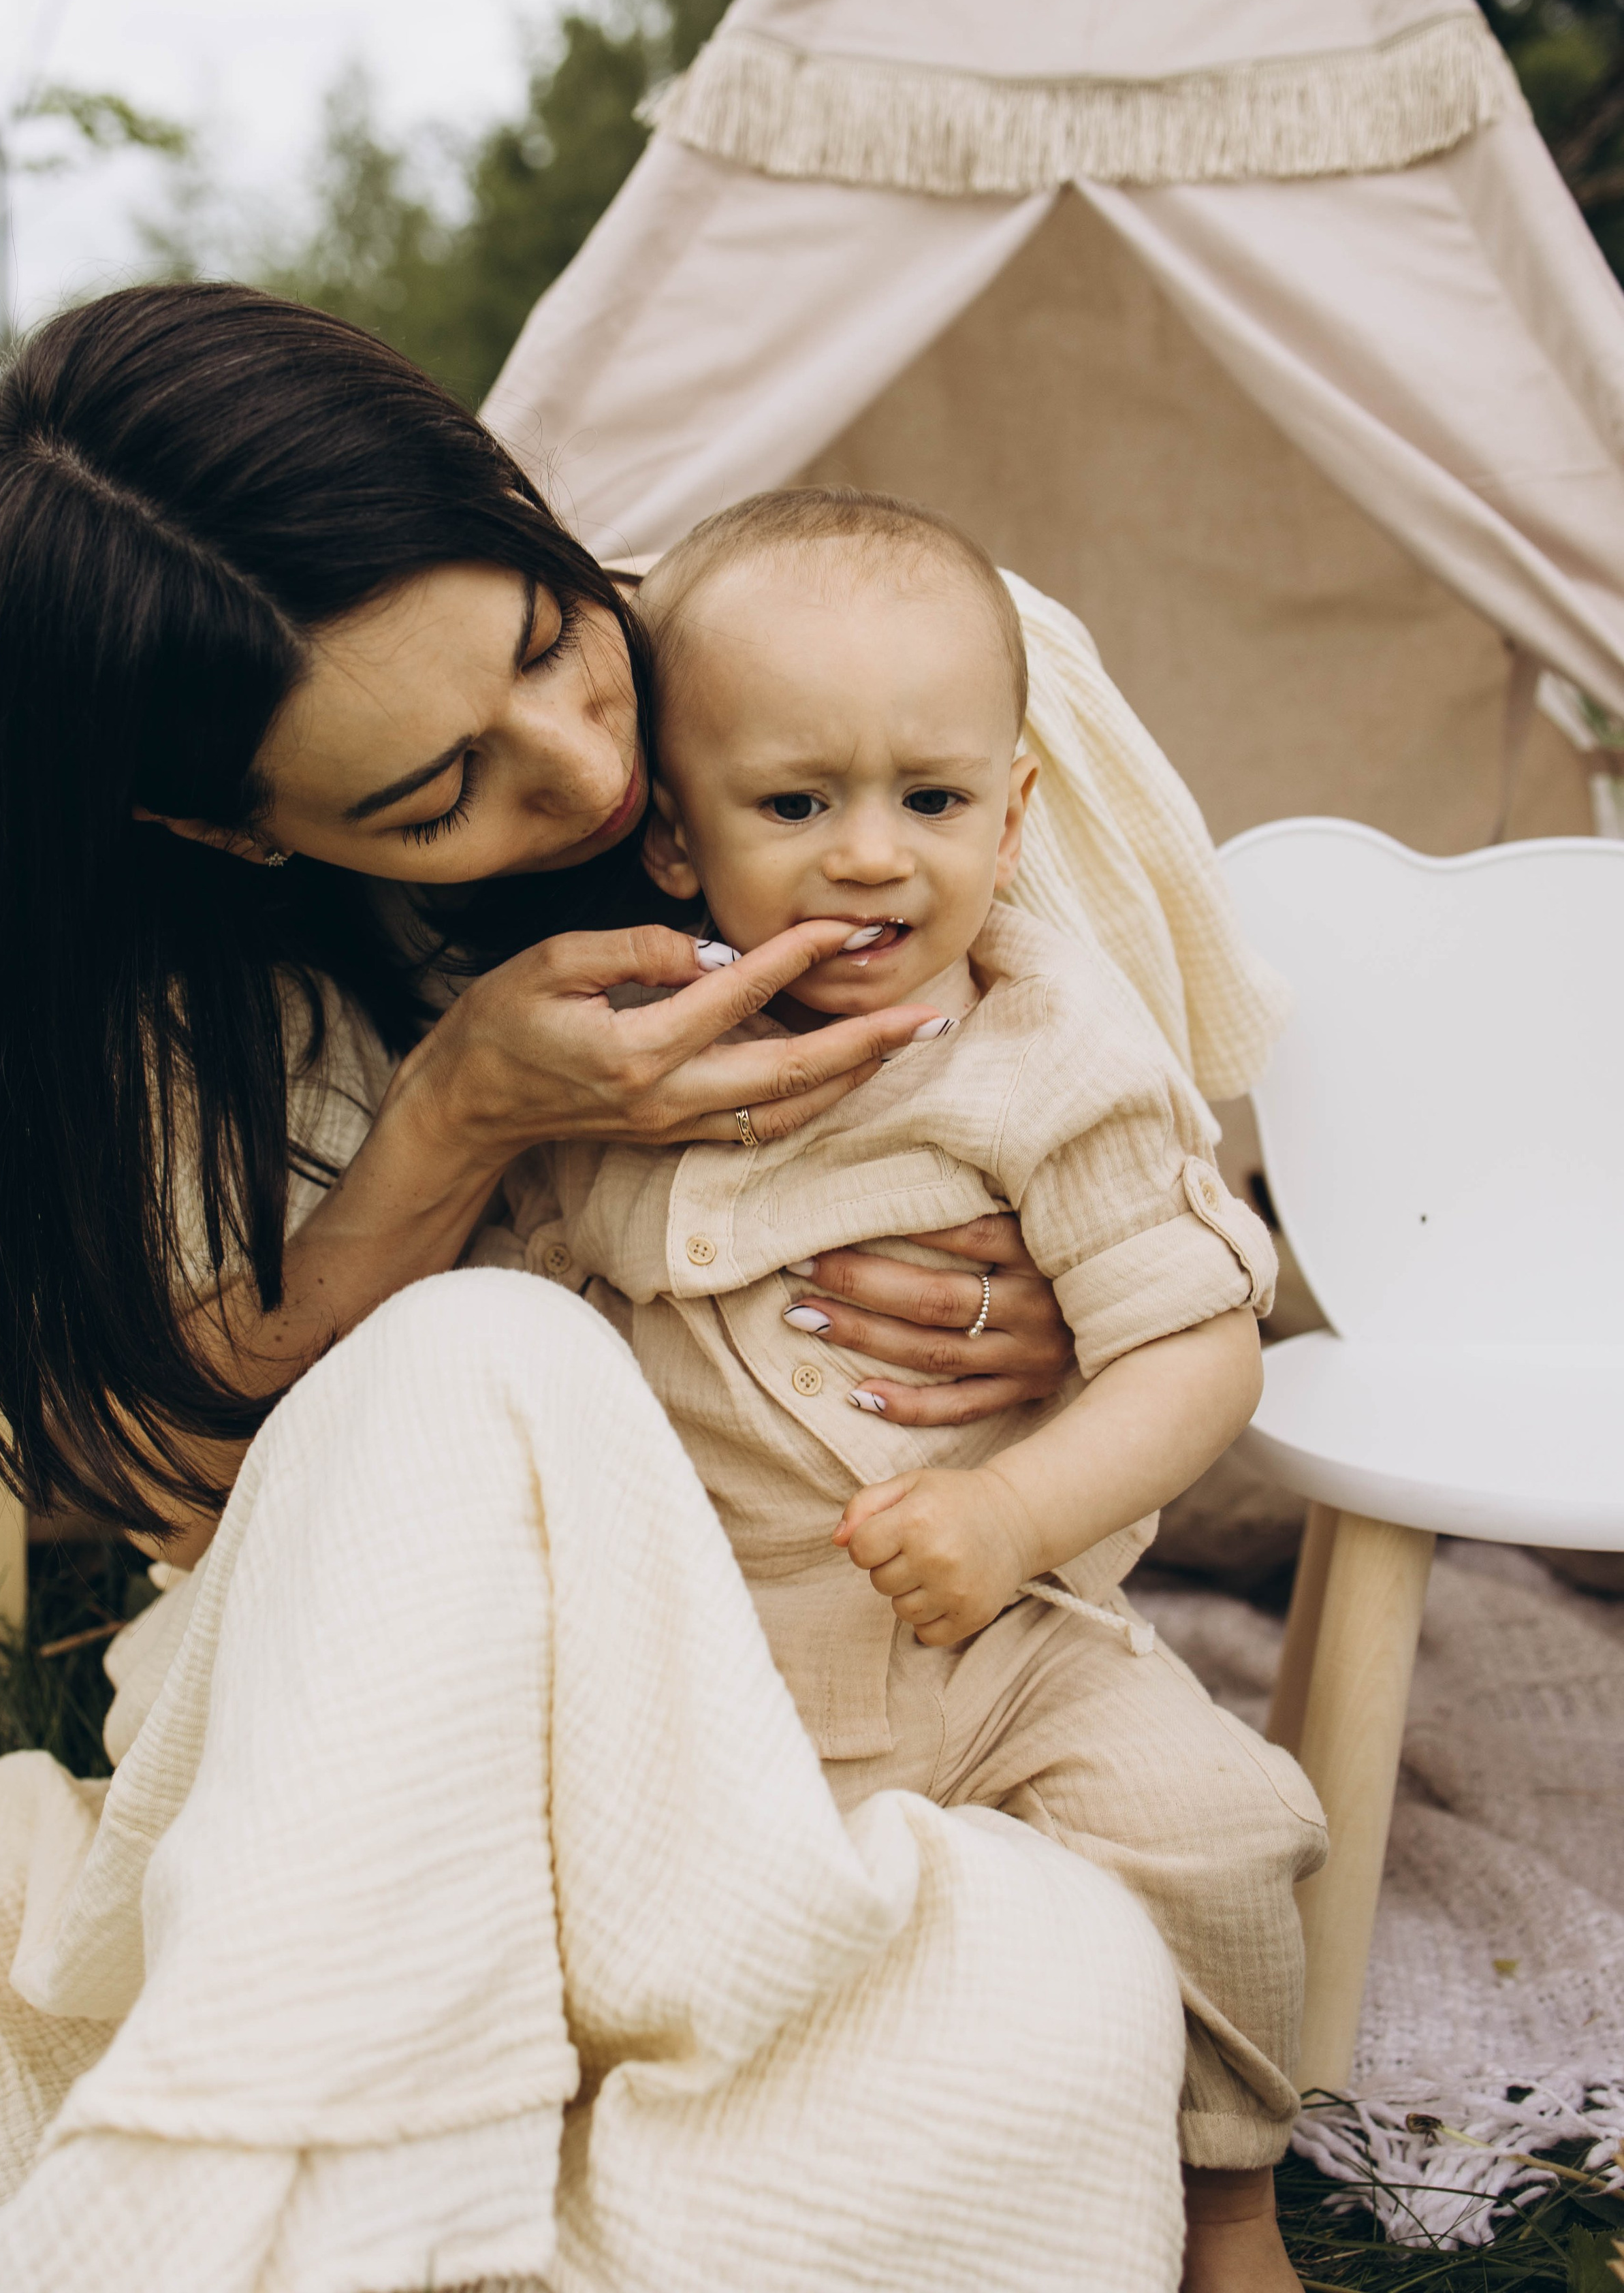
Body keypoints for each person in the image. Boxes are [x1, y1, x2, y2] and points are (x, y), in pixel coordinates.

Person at [0, 281, 1255, 2292]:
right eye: (439, 794)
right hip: (403, 1706)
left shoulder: (893, 676)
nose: (590, 762)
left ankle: (486, 2132)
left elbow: (1162, 1212)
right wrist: (460, 1122)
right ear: (222, 829)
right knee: (486, 1345)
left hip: (875, 1690)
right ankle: (288, 2166)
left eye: (545, 630)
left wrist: (1058, 1318)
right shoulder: (171, 988)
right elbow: (177, 1482)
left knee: (1053, 2029)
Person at [489, 489, 1324, 2293]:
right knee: (580, 1924)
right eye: (797, 806)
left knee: (1213, 1822)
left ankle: (1227, 2203)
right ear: (674, 842)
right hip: (700, 1661)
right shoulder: (631, 1046)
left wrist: (1018, 1506)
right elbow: (516, 1306)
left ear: (1014, 811)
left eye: (931, 802)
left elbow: (1201, 1343)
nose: (873, 856)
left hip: (995, 1642)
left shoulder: (1053, 1059)